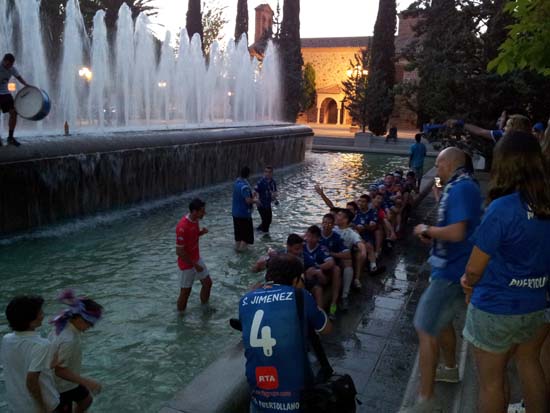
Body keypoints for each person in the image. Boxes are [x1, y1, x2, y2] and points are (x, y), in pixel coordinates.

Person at [460, 132, 550, 413]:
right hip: (537, 304)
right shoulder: (546, 204)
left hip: (497, 308)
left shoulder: (502, 209)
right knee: (530, 362)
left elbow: (474, 268)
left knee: (491, 383)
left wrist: (467, 282)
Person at [405, 147, 482, 412]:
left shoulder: (461, 189)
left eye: (438, 165)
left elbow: (459, 232)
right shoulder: (460, 185)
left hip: (451, 271)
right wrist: (434, 236)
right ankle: (449, 368)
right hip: (449, 267)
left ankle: (426, 399)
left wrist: (426, 228)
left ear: (449, 163)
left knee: (424, 327)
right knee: (445, 320)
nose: (436, 170)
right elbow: (454, 222)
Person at [239, 254, 332, 413]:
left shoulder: (245, 299)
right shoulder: (300, 296)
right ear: (296, 279)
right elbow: (326, 329)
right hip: (293, 396)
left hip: (259, 389)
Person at [1, 295, 60, 412]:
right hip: (42, 405)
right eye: (40, 313)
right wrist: (42, 408)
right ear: (31, 322)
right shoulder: (42, 345)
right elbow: (31, 381)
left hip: (17, 405)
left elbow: (20, 363)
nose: (43, 314)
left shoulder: (6, 339)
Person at [49, 290, 103, 413]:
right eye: (89, 323)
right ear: (78, 318)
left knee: (86, 400)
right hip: (60, 387)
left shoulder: (63, 324)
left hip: (69, 382)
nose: (91, 327)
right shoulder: (69, 340)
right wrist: (88, 382)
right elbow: (59, 370)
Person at [176, 198, 212, 312]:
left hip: (196, 259)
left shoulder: (195, 220)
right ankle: (180, 316)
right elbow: (179, 252)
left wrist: (201, 232)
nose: (204, 213)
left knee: (207, 283)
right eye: (202, 211)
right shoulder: (182, 227)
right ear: (194, 212)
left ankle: (204, 308)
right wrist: (195, 265)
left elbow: (193, 236)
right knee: (185, 292)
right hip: (186, 264)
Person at [302, 225, 338, 318]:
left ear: (318, 238)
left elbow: (330, 262)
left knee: (319, 284)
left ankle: (322, 314)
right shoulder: (301, 246)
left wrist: (317, 268)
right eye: (309, 236)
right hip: (304, 276)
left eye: (313, 237)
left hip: (318, 277)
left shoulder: (322, 249)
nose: (310, 239)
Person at [0, 53, 30, 146]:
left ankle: (10, 137)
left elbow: (19, 78)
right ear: (4, 61)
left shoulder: (12, 68)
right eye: (8, 64)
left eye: (11, 65)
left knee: (13, 112)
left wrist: (27, 86)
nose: (10, 67)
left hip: (5, 93)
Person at [233, 166, 260, 252]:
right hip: (244, 215)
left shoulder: (236, 183)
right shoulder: (244, 186)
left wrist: (252, 195)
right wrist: (256, 201)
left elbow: (242, 197)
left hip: (235, 214)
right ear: (248, 175)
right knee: (245, 238)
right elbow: (248, 201)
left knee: (238, 237)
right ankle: (241, 256)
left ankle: (236, 251)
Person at [254, 166, 278, 234]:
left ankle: (257, 230)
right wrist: (256, 200)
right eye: (266, 172)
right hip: (261, 205)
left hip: (268, 204)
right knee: (265, 221)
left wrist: (275, 198)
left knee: (269, 221)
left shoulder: (273, 182)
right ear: (264, 173)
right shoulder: (261, 182)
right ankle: (265, 236)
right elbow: (255, 191)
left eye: (269, 172)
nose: (267, 173)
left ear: (272, 173)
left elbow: (274, 193)